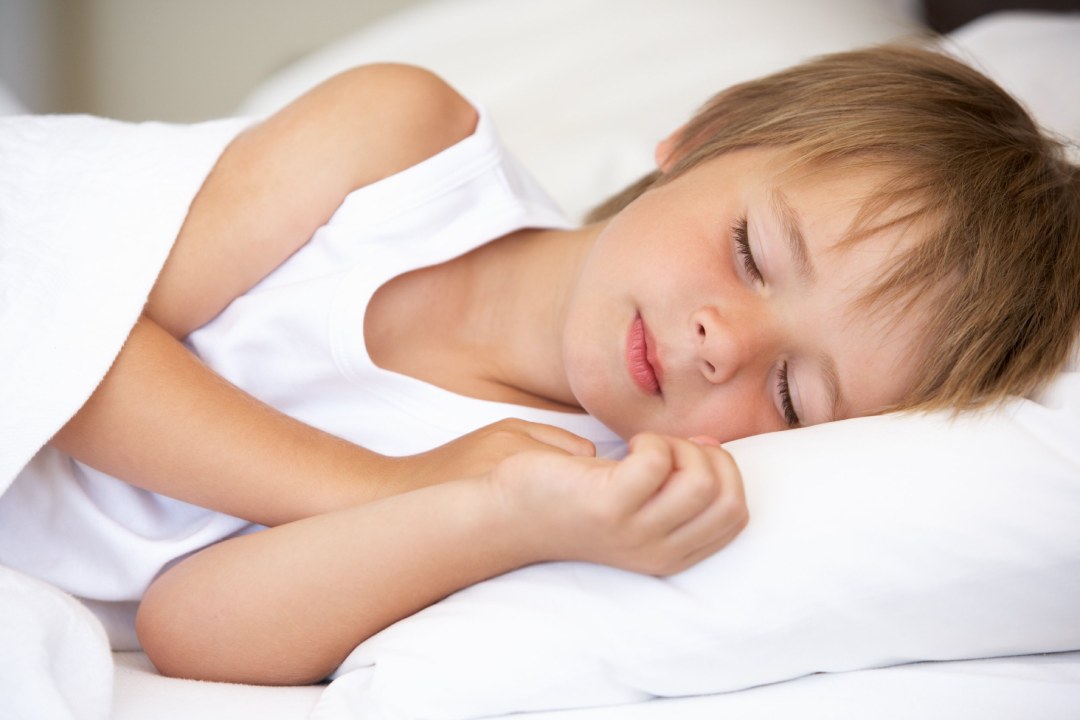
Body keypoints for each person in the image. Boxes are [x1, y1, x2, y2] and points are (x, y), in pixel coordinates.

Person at [5, 42, 1079, 687]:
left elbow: (187, 628)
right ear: (704, 136)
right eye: (753, 254)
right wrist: (387, 489)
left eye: (794, 396)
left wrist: (493, 519)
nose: (726, 341)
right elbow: (68, 340)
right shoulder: (399, 146)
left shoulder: (565, 487)